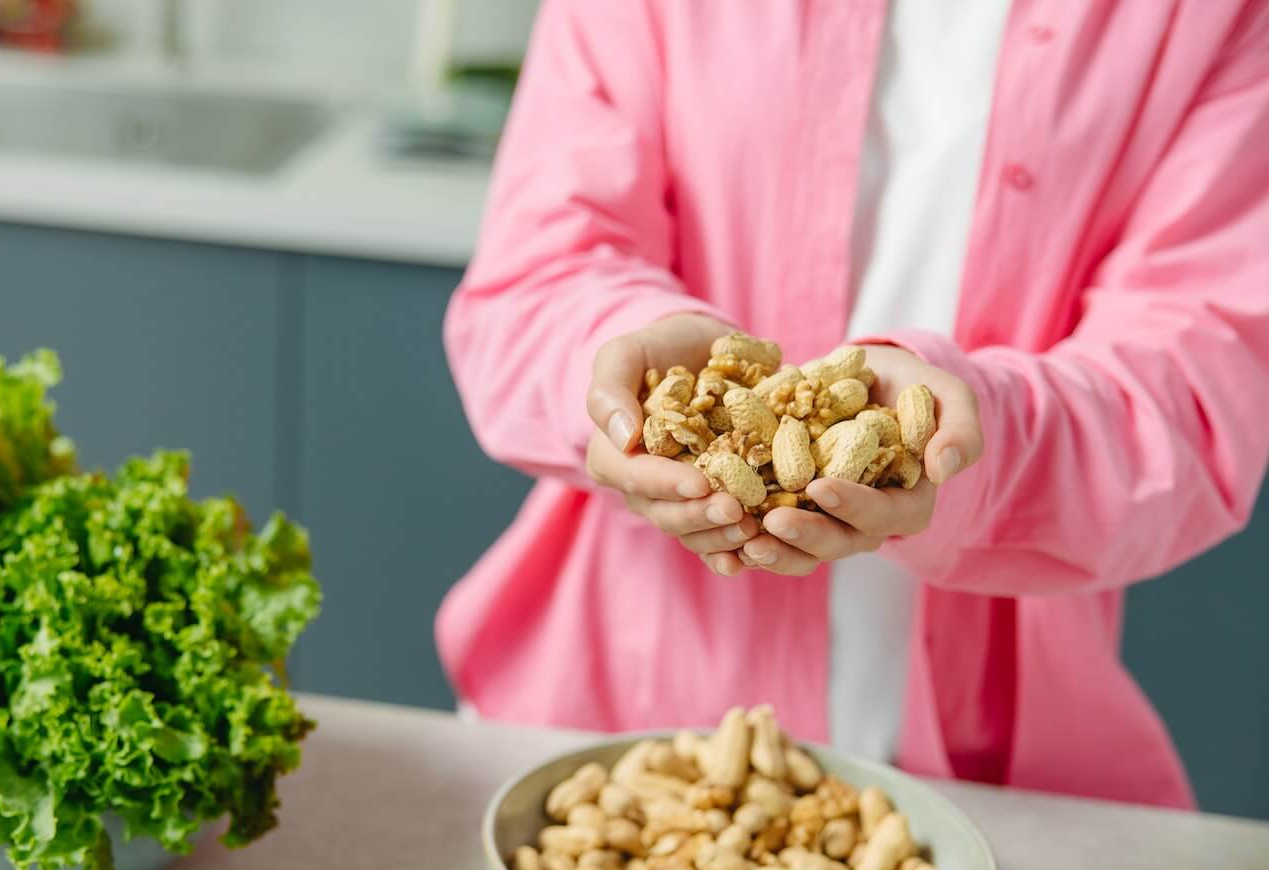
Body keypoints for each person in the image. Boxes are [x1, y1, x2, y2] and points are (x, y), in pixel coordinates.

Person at [438, 0, 1269, 808]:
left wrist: (978, 435)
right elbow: (537, 273)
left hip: (994, 782)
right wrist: (626, 360)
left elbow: (1200, 387)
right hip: (622, 733)